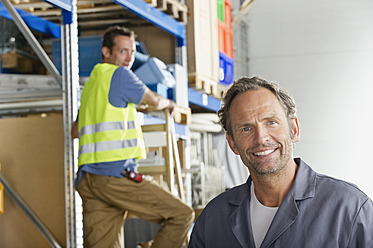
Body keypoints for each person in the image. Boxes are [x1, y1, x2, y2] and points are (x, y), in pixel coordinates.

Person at [189, 77, 373, 247]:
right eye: (246, 128)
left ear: (294, 129)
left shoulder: (350, 209)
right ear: (232, 143)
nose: (261, 138)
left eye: (271, 122)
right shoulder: (213, 219)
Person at [72, 25, 194, 248]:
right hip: (114, 176)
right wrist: (170, 103)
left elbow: (74, 130)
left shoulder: (92, 85)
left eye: (131, 51)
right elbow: (155, 101)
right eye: (122, 51)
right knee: (181, 215)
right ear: (106, 52)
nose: (129, 57)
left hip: (89, 180)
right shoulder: (119, 75)